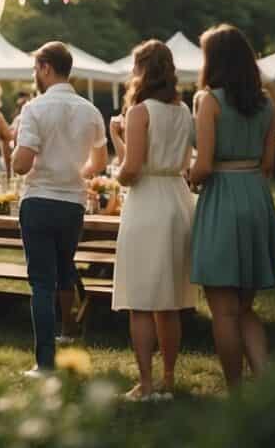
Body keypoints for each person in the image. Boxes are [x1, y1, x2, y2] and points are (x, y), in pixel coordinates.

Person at [189, 24, 275, 390]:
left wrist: (189, 178)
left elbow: (204, 165)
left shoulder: (209, 100)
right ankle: (264, 380)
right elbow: (268, 163)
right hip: (256, 197)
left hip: (223, 199)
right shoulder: (265, 103)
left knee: (224, 311)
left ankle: (236, 391)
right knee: (244, 307)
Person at [10, 42, 108, 378]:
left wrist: (14, 155)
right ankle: (67, 331)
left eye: (36, 69)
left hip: (39, 199)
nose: (35, 75)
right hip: (73, 204)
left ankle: (45, 363)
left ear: (46, 67)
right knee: (65, 267)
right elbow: (100, 162)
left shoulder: (34, 108)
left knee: (41, 282)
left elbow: (22, 164)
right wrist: (73, 171)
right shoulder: (90, 110)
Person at [108, 41, 196, 400]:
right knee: (170, 297)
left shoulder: (141, 111)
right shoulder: (184, 109)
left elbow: (131, 170)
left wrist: (116, 174)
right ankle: (169, 378)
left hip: (147, 202)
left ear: (142, 69)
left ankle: (145, 384)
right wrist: (118, 137)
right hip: (177, 198)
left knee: (142, 298)